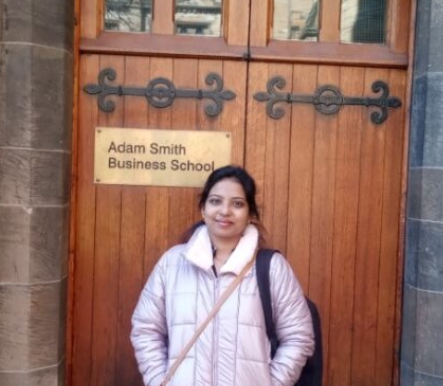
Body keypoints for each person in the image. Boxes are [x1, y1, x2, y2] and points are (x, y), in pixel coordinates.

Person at [131, 165, 314, 386]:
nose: (225, 211)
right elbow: (145, 329)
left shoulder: (272, 268)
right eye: (215, 201)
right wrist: (159, 381)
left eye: (237, 204)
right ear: (203, 209)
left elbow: (299, 336)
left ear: (250, 214)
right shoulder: (172, 264)